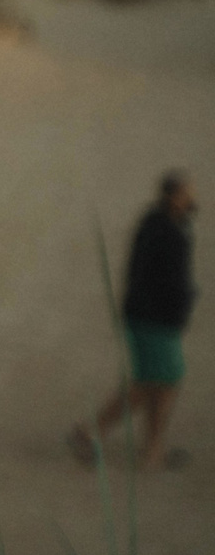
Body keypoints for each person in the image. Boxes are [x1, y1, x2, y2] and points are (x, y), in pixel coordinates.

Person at [70, 170, 197, 471]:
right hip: (153, 319)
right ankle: (89, 432)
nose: (192, 197)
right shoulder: (163, 230)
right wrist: (180, 303)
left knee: (165, 381)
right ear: (174, 197)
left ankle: (153, 451)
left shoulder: (162, 224)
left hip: (154, 317)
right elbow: (161, 279)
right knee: (151, 382)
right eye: (187, 193)